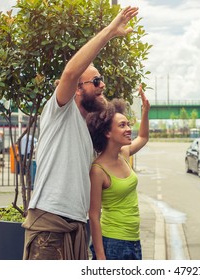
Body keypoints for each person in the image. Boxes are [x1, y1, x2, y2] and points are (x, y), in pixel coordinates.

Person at [22, 6, 139, 260]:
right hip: (49, 226)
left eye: (102, 79)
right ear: (77, 88)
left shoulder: (86, 130)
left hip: (76, 228)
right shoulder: (60, 111)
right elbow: (71, 71)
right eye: (96, 81)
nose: (102, 85)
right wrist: (109, 32)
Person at [87, 85, 150, 260]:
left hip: (133, 240)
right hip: (113, 243)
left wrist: (145, 111)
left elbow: (143, 137)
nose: (128, 129)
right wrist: (100, 255)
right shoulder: (98, 170)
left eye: (128, 124)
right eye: (122, 125)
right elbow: (93, 214)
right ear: (107, 132)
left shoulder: (123, 154)